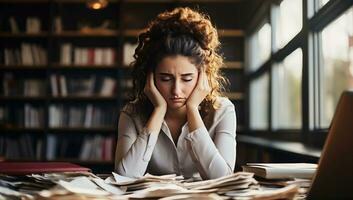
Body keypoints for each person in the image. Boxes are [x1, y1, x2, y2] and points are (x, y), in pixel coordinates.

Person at [115, 7, 237, 180]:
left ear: (203, 76)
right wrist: (158, 111)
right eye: (165, 78)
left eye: (187, 79)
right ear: (150, 76)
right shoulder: (131, 114)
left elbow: (222, 178)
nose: (176, 91)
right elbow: (124, 176)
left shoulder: (223, 111)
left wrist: (192, 109)